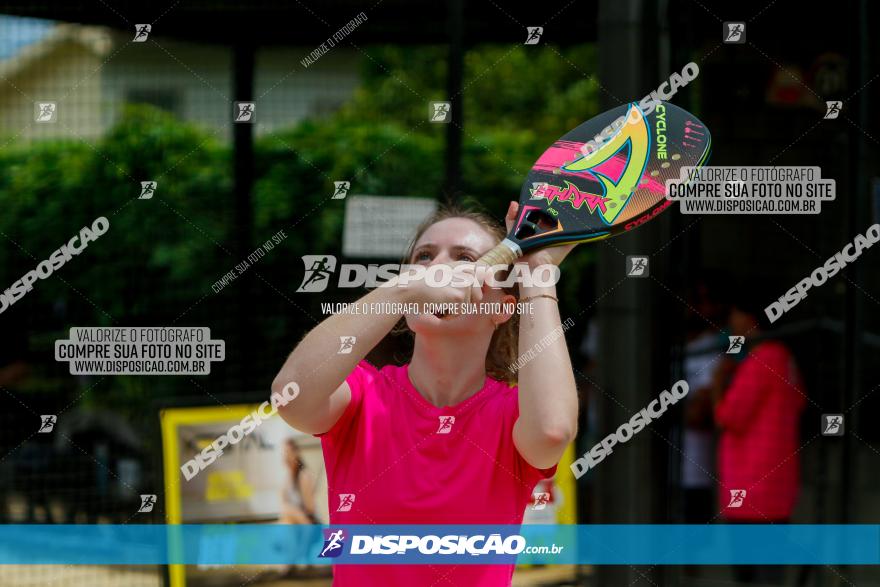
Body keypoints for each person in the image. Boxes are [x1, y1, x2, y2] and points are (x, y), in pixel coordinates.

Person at [272, 203, 578, 586]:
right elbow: (291, 396)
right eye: (425, 257)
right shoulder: (364, 395)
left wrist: (538, 275)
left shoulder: (509, 414)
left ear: (502, 307)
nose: (440, 268)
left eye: (465, 257)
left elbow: (552, 431)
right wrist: (402, 289)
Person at [712, 288, 806, 584]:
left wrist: (717, 384)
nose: (730, 323)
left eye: (735, 316)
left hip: (750, 491)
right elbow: (800, 402)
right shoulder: (785, 358)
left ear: (749, 320)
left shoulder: (759, 361)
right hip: (778, 489)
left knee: (749, 573)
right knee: (770, 570)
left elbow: (729, 416)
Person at [280, 438, 318, 525]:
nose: (285, 457)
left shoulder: (303, 475)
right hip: (294, 523)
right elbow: (283, 502)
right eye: (283, 453)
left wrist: (292, 511)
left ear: (296, 454)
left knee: (287, 512)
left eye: (287, 452)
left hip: (308, 523)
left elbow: (310, 508)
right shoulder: (288, 478)